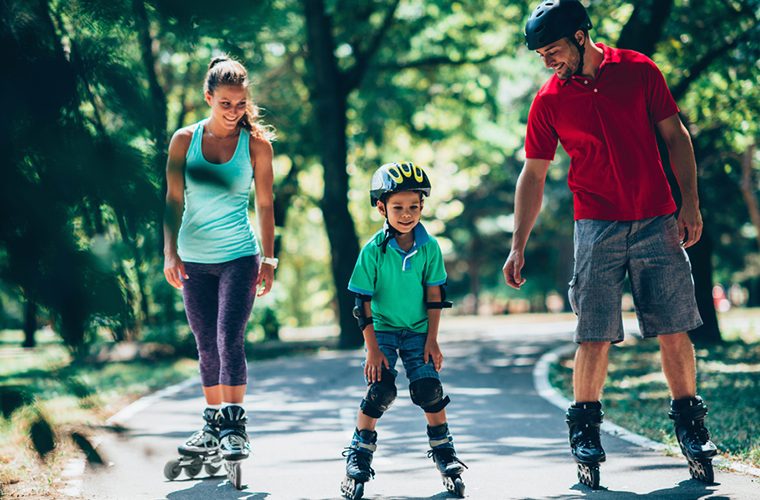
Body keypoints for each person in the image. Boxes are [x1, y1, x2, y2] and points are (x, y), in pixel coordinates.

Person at [503, 0, 717, 489]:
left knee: (674, 327)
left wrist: (690, 204)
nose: (547, 61)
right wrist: (518, 244)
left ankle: (691, 426)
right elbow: (533, 174)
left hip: (656, 219)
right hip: (595, 224)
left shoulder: (638, 70)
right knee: (593, 332)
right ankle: (584, 432)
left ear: (581, 36)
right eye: (539, 54)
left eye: (553, 50)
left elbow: (675, 136)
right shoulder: (549, 99)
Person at [162, 55, 277, 471]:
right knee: (205, 344)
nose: (233, 112)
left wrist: (269, 258)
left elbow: (265, 205)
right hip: (193, 258)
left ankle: (234, 424)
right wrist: (168, 252)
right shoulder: (183, 141)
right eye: (225, 103)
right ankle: (213, 423)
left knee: (230, 337)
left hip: (239, 256)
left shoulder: (256, 146)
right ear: (208, 98)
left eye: (240, 103)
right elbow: (173, 199)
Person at [340, 162, 467, 499]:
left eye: (414, 206)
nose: (407, 214)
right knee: (381, 390)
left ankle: (444, 452)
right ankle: (358, 453)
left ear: (423, 206)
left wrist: (432, 340)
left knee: (429, 390)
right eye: (397, 207)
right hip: (381, 329)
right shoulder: (372, 251)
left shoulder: (429, 248)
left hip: (418, 331)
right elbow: (361, 301)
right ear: (381, 207)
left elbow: (435, 296)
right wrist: (372, 349)